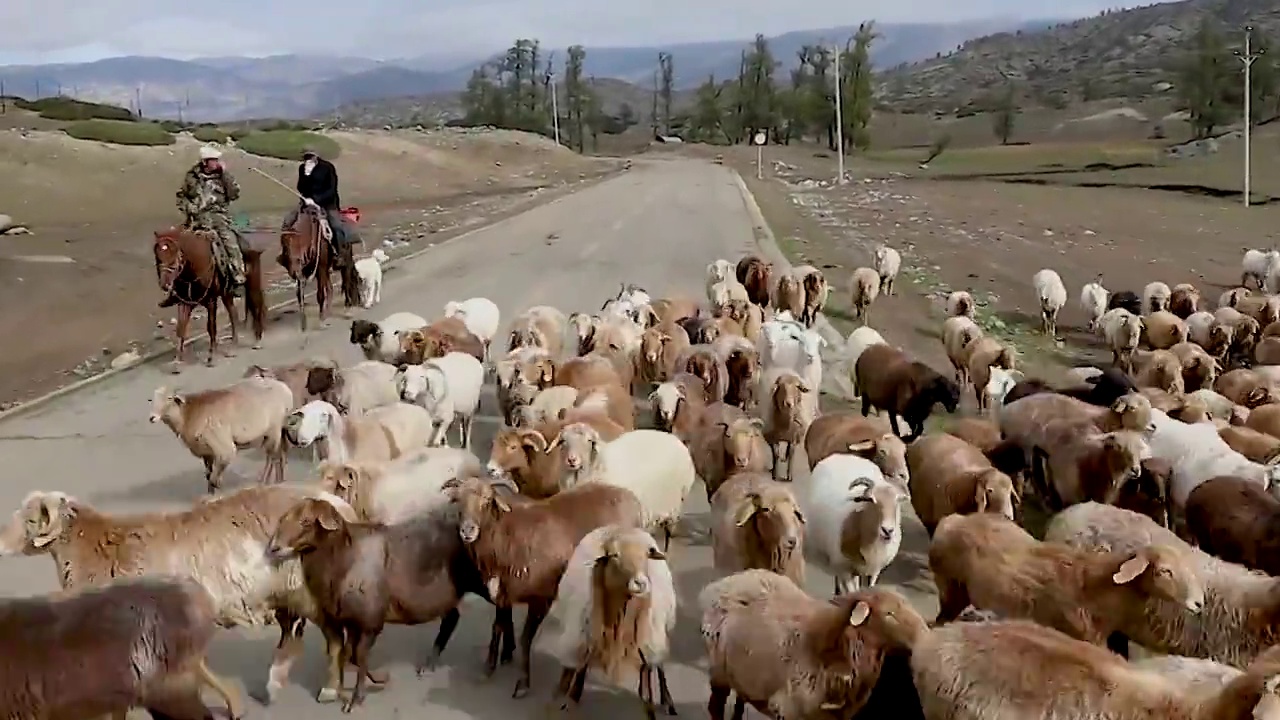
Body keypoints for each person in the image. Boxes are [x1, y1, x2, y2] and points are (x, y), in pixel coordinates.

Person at [171, 145, 246, 304]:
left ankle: (237, 277)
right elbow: (181, 196)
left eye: (217, 160)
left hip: (218, 216)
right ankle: (176, 284)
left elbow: (234, 194)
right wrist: (189, 208)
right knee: (175, 243)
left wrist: (225, 174)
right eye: (214, 160)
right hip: (196, 217)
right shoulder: (192, 177)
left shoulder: (223, 176)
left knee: (230, 243)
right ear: (205, 162)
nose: (217, 163)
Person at [280, 146, 349, 266]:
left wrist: (316, 199)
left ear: (316, 156)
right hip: (307, 204)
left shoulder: (327, 167)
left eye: (310, 156)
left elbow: (332, 189)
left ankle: (340, 254)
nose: (308, 159)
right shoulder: (303, 168)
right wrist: (306, 176)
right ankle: (285, 254)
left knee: (336, 225)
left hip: (327, 203)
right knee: (288, 221)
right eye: (306, 157)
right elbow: (300, 188)